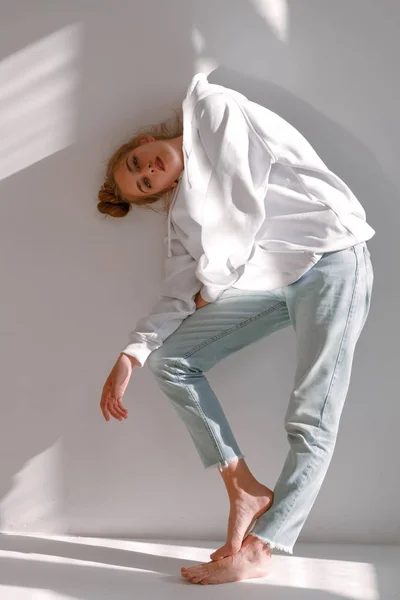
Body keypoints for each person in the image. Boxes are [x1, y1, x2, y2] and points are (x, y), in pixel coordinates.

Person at [98, 73, 375, 585]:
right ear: (158, 193)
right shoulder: (180, 219)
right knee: (172, 362)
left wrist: (212, 285)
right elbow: (179, 292)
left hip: (334, 257)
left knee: (312, 414)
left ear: (143, 141)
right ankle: (243, 486)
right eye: (143, 184)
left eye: (138, 163)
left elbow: (239, 210)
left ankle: (264, 546)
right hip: (277, 279)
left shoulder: (210, 107)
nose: (147, 171)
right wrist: (130, 355)